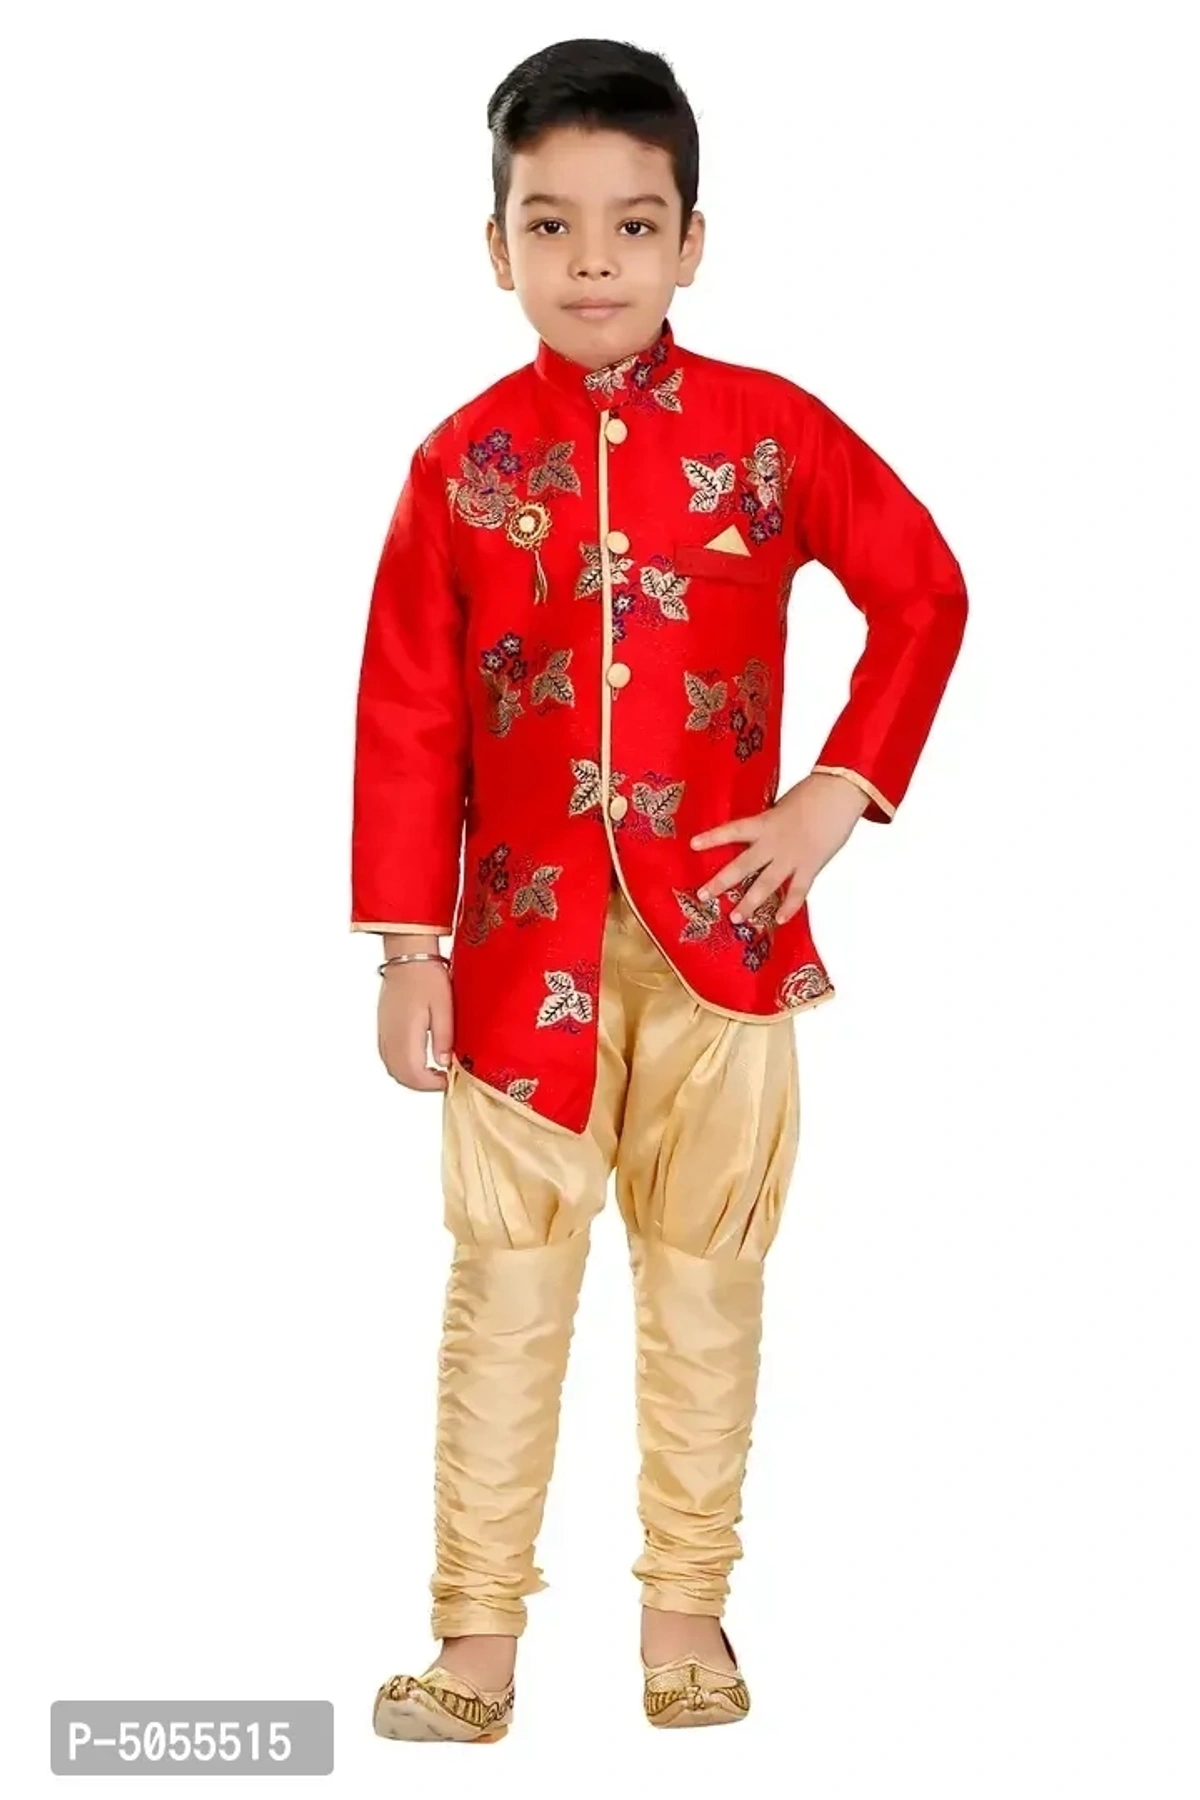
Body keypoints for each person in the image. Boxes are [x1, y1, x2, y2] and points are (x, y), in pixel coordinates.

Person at [352, 37, 967, 1741]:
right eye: (548, 225)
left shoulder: (773, 435)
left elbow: (924, 592)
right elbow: (408, 710)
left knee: (707, 1282)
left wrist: (835, 795)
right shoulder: (463, 462)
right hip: (515, 959)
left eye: (634, 224)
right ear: (496, 248)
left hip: (729, 940)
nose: (593, 261)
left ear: (693, 240)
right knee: (505, 1291)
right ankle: (474, 1648)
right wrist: (406, 945)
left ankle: (686, 1623)